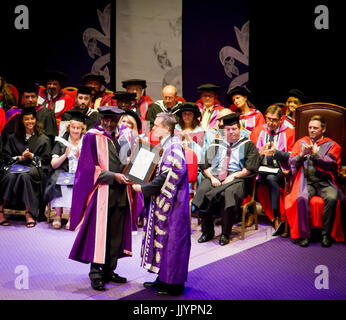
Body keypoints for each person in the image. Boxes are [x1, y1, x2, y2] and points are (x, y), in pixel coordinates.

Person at [68, 106, 132, 291]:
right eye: (106, 119)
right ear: (100, 119)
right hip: (102, 192)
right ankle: (96, 273)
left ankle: (109, 270)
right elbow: (88, 168)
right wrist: (113, 177)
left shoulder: (122, 138)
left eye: (113, 120)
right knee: (99, 234)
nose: (110, 123)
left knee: (115, 234)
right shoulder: (91, 136)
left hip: (121, 192)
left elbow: (125, 162)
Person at [132, 112, 191, 296]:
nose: (153, 128)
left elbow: (169, 174)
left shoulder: (174, 147)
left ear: (166, 128)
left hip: (174, 204)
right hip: (164, 201)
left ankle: (174, 285)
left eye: (156, 125)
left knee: (173, 242)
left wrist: (144, 189)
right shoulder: (165, 145)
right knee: (163, 240)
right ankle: (162, 278)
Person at [192, 113, 260, 246]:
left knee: (228, 194)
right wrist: (212, 178)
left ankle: (225, 233)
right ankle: (207, 232)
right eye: (228, 129)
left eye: (234, 129)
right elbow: (204, 164)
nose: (231, 132)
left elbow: (250, 168)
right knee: (203, 190)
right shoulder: (217, 143)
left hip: (238, 178)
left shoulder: (248, 145)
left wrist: (233, 176)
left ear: (239, 129)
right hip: (216, 175)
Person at [285, 115, 344, 247]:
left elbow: (331, 164)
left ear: (323, 130)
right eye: (310, 127)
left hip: (324, 182)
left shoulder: (332, 145)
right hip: (306, 182)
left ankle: (325, 235)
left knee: (332, 198)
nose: (311, 130)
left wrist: (314, 156)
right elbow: (291, 162)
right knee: (301, 198)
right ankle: (305, 235)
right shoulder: (301, 143)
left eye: (315, 128)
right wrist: (301, 155)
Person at [0, 107, 51, 227]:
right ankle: (1, 211)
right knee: (10, 176)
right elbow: (6, 157)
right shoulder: (13, 138)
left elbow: (46, 161)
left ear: (36, 120)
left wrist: (31, 156)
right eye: (26, 119)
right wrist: (19, 158)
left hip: (34, 169)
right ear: (22, 121)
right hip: (16, 167)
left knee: (25, 176)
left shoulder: (43, 139)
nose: (29, 122)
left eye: (32, 119)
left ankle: (29, 213)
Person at [250, 104, 295, 231]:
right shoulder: (258, 131)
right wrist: (259, 154)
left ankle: (277, 216)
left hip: (281, 170)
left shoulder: (290, 133)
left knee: (270, 178)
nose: (270, 122)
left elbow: (293, 155)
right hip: (261, 168)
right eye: (268, 119)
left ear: (281, 120)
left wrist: (277, 153)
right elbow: (250, 154)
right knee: (257, 177)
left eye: (274, 120)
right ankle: (251, 213)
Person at [44, 111, 87, 229]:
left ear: (82, 129)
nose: (75, 130)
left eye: (78, 128)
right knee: (58, 180)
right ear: (69, 128)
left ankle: (72, 217)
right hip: (62, 172)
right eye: (73, 127)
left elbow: (89, 165)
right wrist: (65, 155)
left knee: (76, 183)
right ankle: (57, 216)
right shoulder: (61, 142)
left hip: (79, 173)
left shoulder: (86, 143)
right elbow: (53, 164)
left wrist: (79, 157)